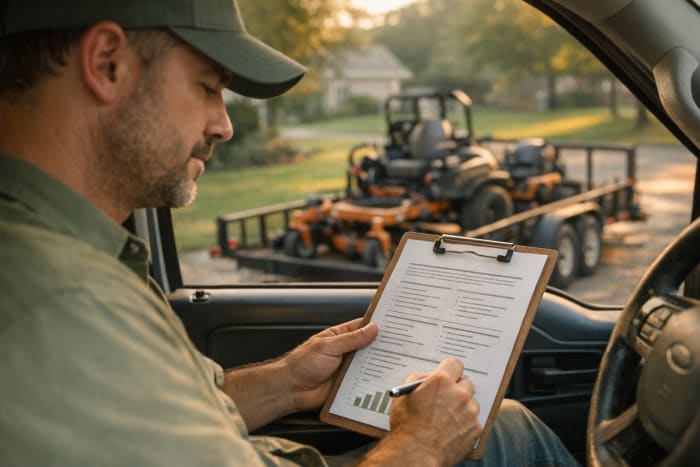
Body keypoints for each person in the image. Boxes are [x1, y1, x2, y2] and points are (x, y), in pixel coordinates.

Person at [0, 1, 580, 465]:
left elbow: (157, 419)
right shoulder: (57, 298)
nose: (224, 124)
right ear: (107, 63)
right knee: (508, 434)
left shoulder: (79, 256)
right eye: (207, 86)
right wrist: (421, 447)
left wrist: (285, 384)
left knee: (504, 422)